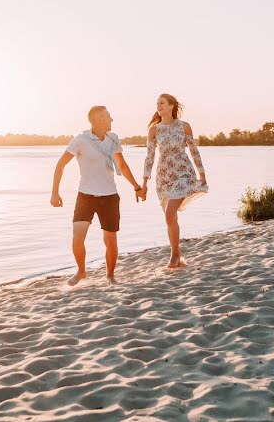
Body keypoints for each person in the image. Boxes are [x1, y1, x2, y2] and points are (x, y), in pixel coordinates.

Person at [51, 106, 146, 286]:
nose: (112, 120)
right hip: (85, 195)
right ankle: (81, 271)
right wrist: (55, 192)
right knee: (78, 237)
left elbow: (122, 166)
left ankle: (110, 275)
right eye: (109, 116)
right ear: (99, 119)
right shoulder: (80, 140)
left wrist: (136, 187)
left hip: (109, 196)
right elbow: (60, 165)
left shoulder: (113, 139)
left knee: (110, 239)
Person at [142, 93, 208, 268]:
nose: (158, 106)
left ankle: (174, 255)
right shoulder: (154, 130)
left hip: (182, 173)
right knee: (170, 218)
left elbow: (194, 151)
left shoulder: (184, 126)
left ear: (171, 106)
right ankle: (178, 254)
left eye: (162, 103)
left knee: (170, 213)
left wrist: (202, 174)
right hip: (164, 175)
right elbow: (149, 157)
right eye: (157, 103)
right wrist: (144, 182)